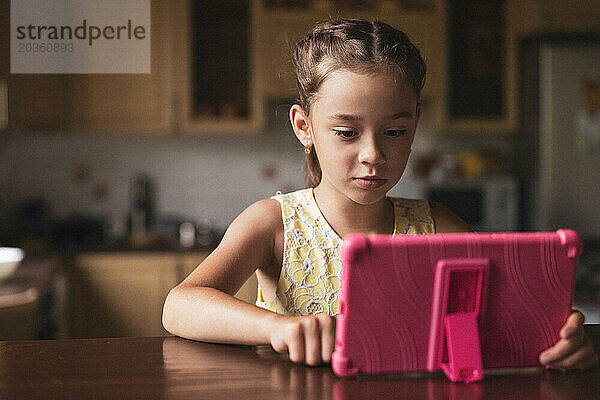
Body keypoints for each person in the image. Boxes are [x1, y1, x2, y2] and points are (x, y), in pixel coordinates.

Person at [162, 19, 598, 370]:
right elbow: (179, 306)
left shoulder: (438, 226)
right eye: (347, 133)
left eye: (394, 132)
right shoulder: (273, 223)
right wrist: (277, 329)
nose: (373, 155)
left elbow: (505, 323)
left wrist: (560, 339)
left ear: (415, 125)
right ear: (304, 127)